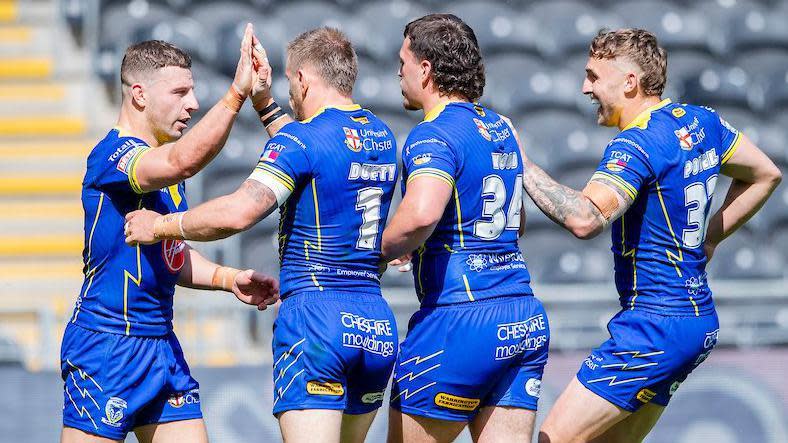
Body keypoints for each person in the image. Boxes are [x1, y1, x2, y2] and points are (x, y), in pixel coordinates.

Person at [124, 27, 400, 443]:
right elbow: (314, 152)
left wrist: (160, 226)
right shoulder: (382, 136)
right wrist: (264, 102)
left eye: (291, 81)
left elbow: (239, 212)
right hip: (375, 325)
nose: (291, 91)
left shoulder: (303, 140)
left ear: (304, 80)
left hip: (316, 320)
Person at [521, 29, 783, 442]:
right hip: (696, 320)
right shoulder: (702, 121)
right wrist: (709, 238)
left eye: (593, 76)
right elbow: (766, 174)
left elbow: (585, 219)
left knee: (554, 438)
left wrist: (524, 166)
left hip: (654, 325)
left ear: (630, 82)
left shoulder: (638, 144)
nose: (584, 87)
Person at [60, 26, 281, 443]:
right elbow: (181, 161)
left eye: (193, 92)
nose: (193, 104)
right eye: (180, 93)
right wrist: (236, 95)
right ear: (140, 95)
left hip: (160, 345)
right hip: (107, 346)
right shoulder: (113, 155)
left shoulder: (166, 174)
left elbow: (171, 256)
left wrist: (228, 278)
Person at [381, 14, 549, 443]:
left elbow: (420, 215)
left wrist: (374, 252)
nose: (398, 71)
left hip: (460, 318)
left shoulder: (432, 135)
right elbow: (517, 221)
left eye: (403, 60)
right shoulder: (502, 129)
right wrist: (416, 246)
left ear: (425, 68)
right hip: (521, 317)